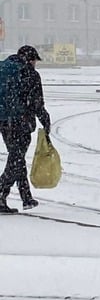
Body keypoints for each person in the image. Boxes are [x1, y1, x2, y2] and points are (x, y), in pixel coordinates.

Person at [0, 45, 51, 213]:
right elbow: (37, 103)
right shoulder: (30, 74)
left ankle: (26, 196)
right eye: (35, 61)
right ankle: (1, 193)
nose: (35, 64)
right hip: (20, 121)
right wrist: (45, 121)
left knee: (16, 158)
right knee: (16, 159)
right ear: (30, 59)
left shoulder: (2, 68)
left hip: (3, 121)